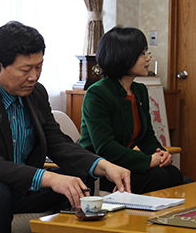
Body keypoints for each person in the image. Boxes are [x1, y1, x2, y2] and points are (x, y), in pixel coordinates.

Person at [0, 21, 131, 233]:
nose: (34, 77)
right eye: (25, 69)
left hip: (21, 188)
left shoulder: (36, 93)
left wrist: (104, 166)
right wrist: (50, 178)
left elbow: (57, 143)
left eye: (39, 67)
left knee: (78, 178)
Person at [79, 26, 184, 194]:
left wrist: (161, 154)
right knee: (159, 178)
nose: (148, 58)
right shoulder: (97, 93)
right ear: (124, 56)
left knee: (173, 173)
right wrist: (148, 161)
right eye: (143, 53)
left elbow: (147, 137)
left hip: (126, 165)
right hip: (102, 171)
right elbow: (105, 147)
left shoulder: (140, 90)